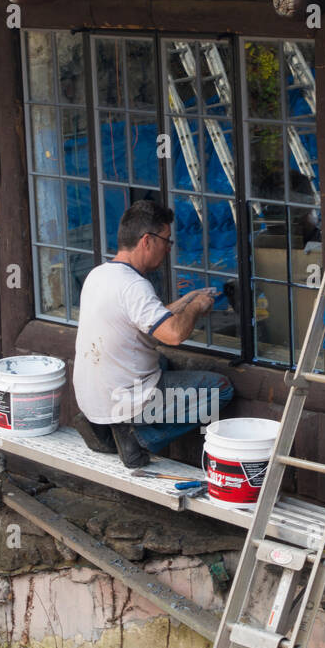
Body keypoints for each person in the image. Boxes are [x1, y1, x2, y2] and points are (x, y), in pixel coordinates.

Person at [72, 200, 234, 468]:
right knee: (220, 389)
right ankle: (139, 438)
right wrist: (196, 307)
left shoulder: (99, 275)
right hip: (124, 399)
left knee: (162, 362)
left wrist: (187, 299)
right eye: (166, 240)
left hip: (94, 398)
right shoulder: (134, 286)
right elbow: (173, 335)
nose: (169, 249)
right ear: (147, 240)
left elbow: (147, 320)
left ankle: (105, 429)